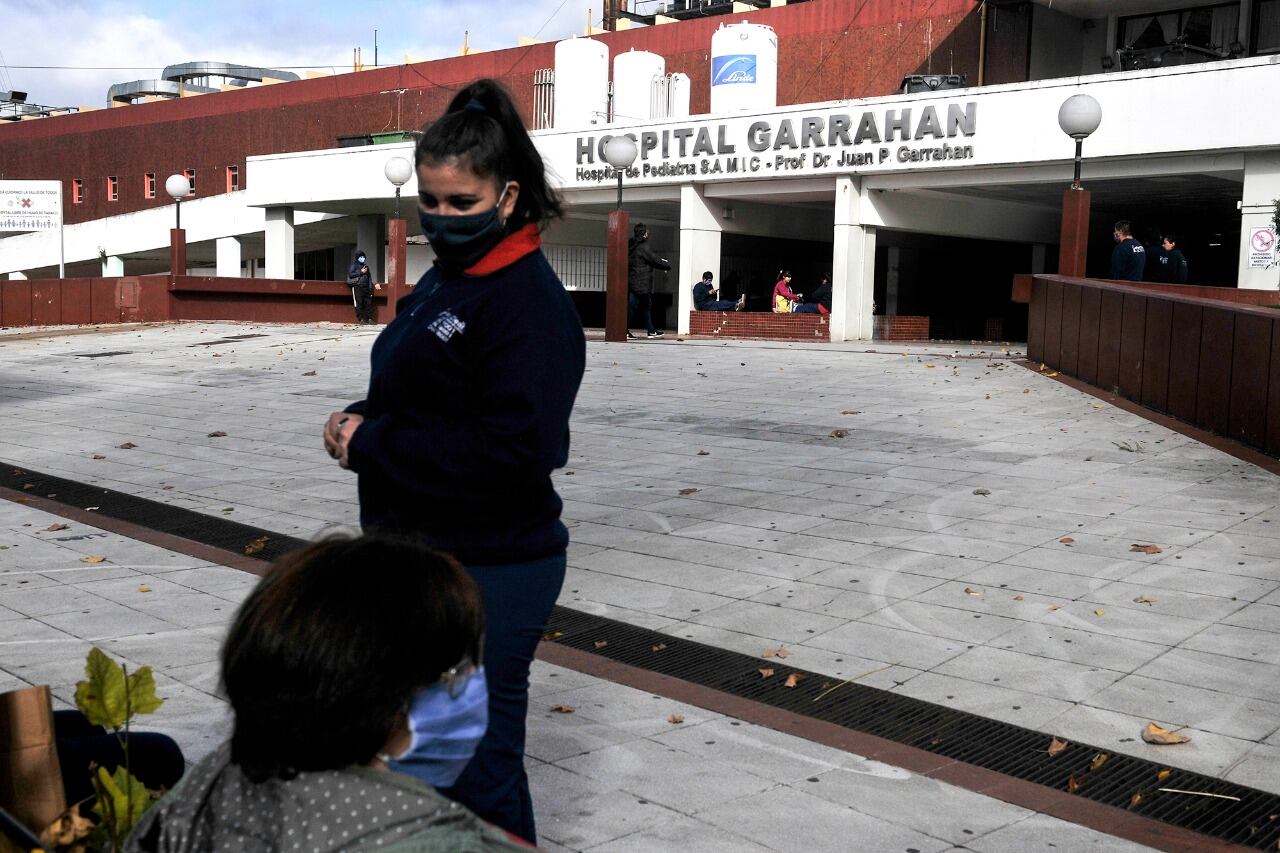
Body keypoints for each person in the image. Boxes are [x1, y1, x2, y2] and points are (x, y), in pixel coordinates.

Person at [322, 78, 585, 845]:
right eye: (430, 202)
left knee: (478, 764)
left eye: (460, 203)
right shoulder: (451, 278)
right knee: (421, 756)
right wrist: (365, 419)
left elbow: (519, 449)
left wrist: (375, 444)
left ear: (506, 199)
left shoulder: (526, 304)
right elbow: (433, 392)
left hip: (492, 568)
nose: (441, 217)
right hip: (422, 559)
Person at [126, 536, 531, 853]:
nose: (469, 682)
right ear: (394, 698)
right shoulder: (436, 840)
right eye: (457, 669)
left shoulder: (213, 782)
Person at [628, 222, 671, 338]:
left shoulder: (631, 245)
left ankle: (648, 330)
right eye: (647, 231)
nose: (648, 233)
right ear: (644, 233)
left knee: (635, 306)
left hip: (633, 281)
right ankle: (650, 331)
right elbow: (654, 259)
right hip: (642, 283)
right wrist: (666, 265)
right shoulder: (644, 247)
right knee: (645, 307)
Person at [346, 249, 376, 324]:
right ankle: (361, 319)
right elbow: (350, 275)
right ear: (357, 258)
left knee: (368, 304)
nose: (362, 258)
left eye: (363, 257)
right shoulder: (354, 266)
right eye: (360, 257)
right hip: (357, 287)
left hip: (366, 288)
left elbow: (369, 278)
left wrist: (370, 288)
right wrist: (361, 272)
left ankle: (370, 319)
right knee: (359, 303)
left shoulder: (366, 267)